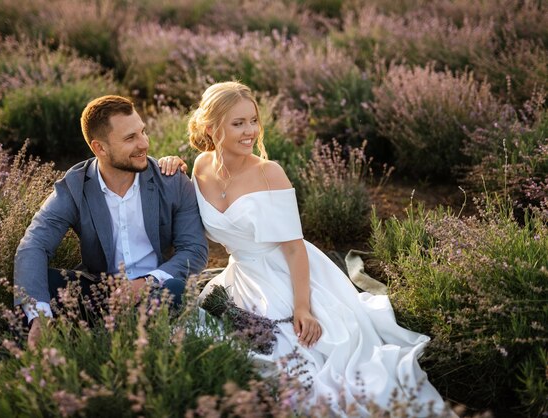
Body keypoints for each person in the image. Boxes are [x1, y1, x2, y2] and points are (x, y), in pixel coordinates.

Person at [187, 81, 455, 416]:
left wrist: (303, 308)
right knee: (215, 344)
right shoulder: (199, 167)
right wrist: (167, 164)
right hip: (239, 276)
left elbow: (295, 250)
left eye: (253, 121)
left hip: (287, 271)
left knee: (295, 356)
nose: (250, 131)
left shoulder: (269, 173)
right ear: (212, 128)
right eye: (238, 123)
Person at [14, 95, 208, 350]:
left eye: (143, 132)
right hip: (100, 292)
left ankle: (107, 344)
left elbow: (194, 251)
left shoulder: (172, 182)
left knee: (172, 289)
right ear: (100, 148)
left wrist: (144, 284)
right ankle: (40, 353)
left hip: (156, 290)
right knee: (37, 287)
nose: (144, 144)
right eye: (130, 138)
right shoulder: (75, 187)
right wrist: (39, 317)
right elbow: (33, 245)